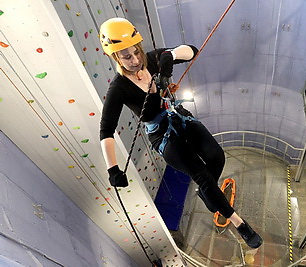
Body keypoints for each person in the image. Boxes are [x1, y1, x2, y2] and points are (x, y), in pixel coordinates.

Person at [98, 17, 263, 249]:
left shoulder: (153, 59)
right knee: (201, 174)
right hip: (162, 134)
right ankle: (239, 223)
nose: (135, 60)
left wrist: (169, 57)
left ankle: (209, 194)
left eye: (136, 52)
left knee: (217, 157)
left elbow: (192, 51)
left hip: (179, 116)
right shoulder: (118, 88)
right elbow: (106, 129)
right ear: (115, 57)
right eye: (126, 57)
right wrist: (113, 169)